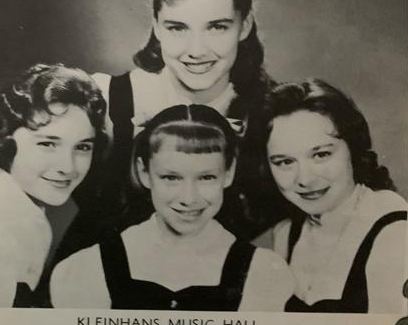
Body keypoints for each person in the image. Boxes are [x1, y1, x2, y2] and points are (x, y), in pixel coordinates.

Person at [79, 0, 276, 247]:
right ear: (156, 26)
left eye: (217, 27)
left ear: (244, 25)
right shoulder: (107, 100)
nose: (196, 50)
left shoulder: (276, 113)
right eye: (178, 28)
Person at [51, 104, 294, 311]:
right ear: (144, 172)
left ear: (228, 173)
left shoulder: (263, 272)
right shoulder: (87, 268)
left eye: (206, 177)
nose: (189, 198)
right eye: (171, 178)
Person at [0, 64, 105, 308]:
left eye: (82, 147)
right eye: (47, 144)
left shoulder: (19, 212)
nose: (67, 167)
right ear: (5, 142)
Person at [260, 79, 408, 314]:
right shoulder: (285, 233)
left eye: (321, 155)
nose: (305, 179)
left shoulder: (394, 230)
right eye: (285, 162)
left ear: (353, 149)